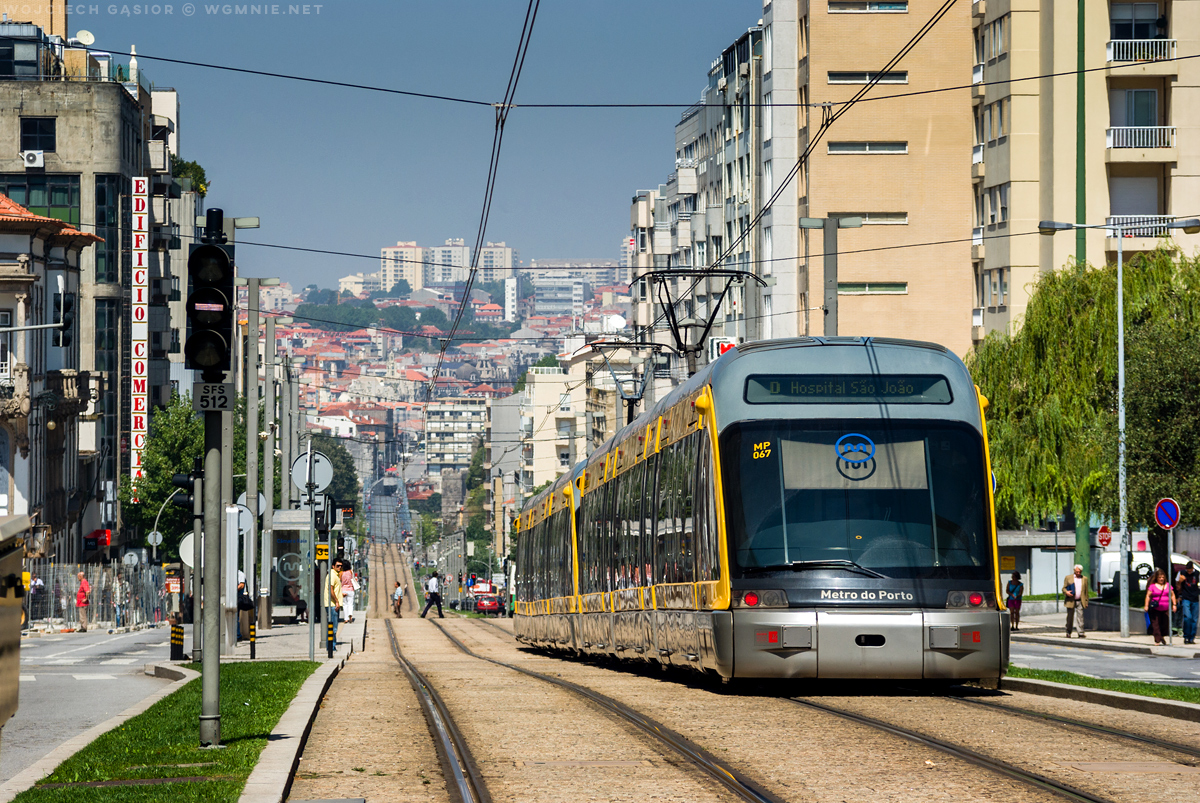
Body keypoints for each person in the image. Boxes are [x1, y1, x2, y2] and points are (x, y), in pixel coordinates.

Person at [1143, 567, 1177, 645]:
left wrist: (1174, 604)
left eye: (1162, 577)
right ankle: (1157, 639)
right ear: (1156, 578)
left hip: (1165, 608)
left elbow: (1172, 595)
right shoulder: (1152, 586)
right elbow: (1148, 596)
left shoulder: (1168, 585)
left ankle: (1161, 636)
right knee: (1156, 625)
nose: (1161, 579)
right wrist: (1146, 605)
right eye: (1159, 577)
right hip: (1155, 608)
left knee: (1165, 624)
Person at [1062, 563, 1089, 638]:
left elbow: (1086, 592)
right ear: (1074, 570)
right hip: (1070, 600)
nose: (1078, 573)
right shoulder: (1068, 578)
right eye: (1077, 572)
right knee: (1070, 617)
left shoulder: (1084, 579)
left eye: (1079, 572)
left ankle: (1080, 632)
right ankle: (1068, 631)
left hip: (1080, 600)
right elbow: (1063, 588)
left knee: (1080, 617)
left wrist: (1086, 602)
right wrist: (1066, 592)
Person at [1176, 561, 1198, 645]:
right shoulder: (1181, 573)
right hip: (1186, 598)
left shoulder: (1197, 573)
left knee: (1194, 619)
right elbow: (1177, 587)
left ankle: (1191, 638)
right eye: (1187, 571)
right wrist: (1180, 582)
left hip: (1195, 598)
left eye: (1190, 571)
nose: (1188, 572)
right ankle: (1186, 636)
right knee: (1187, 617)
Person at [324, 559, 343, 643]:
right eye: (338, 566)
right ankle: (331, 647)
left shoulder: (336, 575)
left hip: (334, 604)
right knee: (333, 628)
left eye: (341, 566)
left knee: (334, 627)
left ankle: (332, 646)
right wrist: (336, 601)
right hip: (332, 605)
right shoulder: (332, 575)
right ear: (333, 566)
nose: (340, 567)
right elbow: (330, 590)